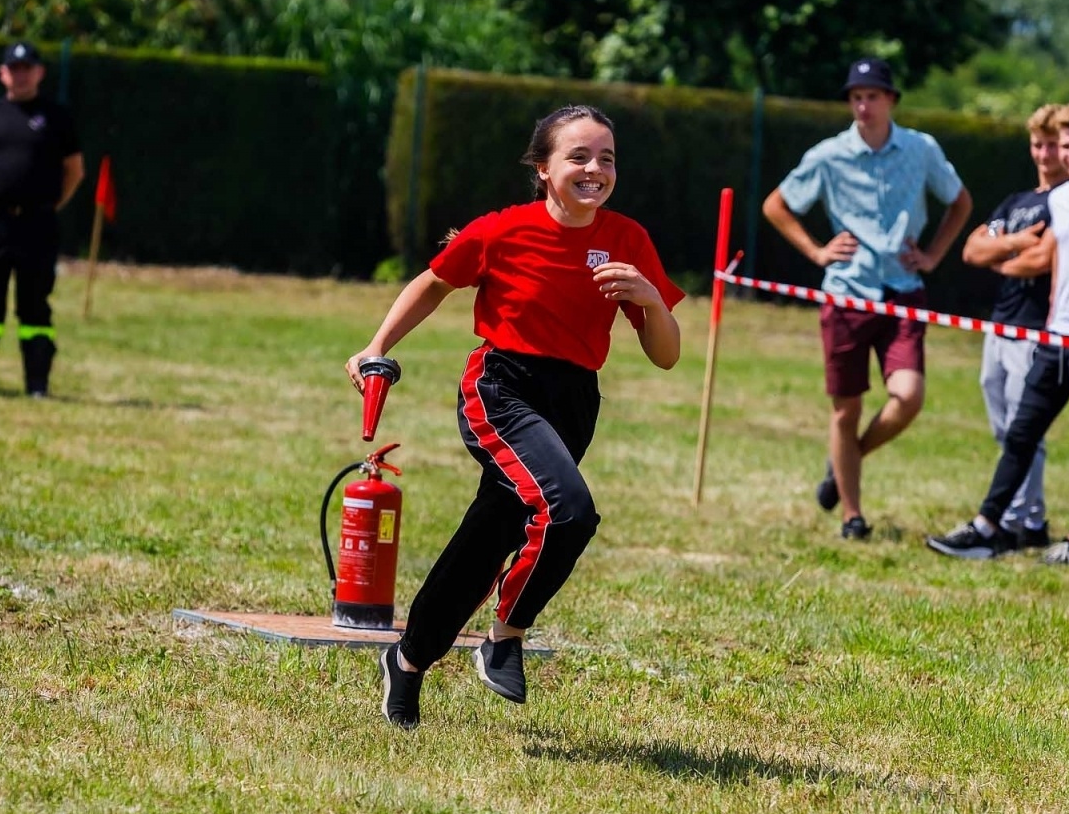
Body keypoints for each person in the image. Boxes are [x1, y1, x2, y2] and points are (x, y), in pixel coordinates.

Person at [347, 104, 684, 729]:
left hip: (575, 401)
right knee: (569, 512)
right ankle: (505, 636)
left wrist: (651, 302)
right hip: (502, 388)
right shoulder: (502, 230)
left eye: (607, 158)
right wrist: (376, 346)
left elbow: (665, 355)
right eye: (578, 156)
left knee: (492, 534)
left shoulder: (628, 240)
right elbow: (433, 282)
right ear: (543, 167)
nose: (595, 169)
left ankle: (409, 659)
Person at [927, 101, 1069, 566]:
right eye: (1065, 145)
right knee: (1020, 435)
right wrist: (1054, 308)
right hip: (1056, 340)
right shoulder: (1059, 200)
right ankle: (986, 529)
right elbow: (1059, 263)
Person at [762, 58, 972, 539]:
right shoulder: (829, 154)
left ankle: (843, 462)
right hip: (847, 295)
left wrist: (934, 255)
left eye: (872, 96)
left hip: (903, 292)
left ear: (891, 100)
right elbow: (776, 204)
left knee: (909, 397)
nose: (863, 105)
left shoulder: (921, 148)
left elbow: (960, 201)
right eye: (856, 96)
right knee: (846, 410)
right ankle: (852, 516)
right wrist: (817, 251)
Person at [958, 103, 1065, 551]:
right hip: (1000, 324)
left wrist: (1000, 254)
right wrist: (1016, 242)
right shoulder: (1018, 202)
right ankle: (1027, 517)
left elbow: (1040, 261)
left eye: (1052, 145)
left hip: (1035, 328)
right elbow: (971, 251)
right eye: (1038, 145)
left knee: (1024, 428)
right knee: (1003, 426)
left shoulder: (1068, 202)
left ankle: (1021, 520)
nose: (1044, 154)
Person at [0, 39, 83, 395]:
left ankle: (37, 383)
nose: (21, 75)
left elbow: (74, 170)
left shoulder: (57, 117)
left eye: (27, 68)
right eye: (14, 69)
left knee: (35, 305)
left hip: (38, 223)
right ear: (2, 73)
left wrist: (51, 203)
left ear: (40, 73)